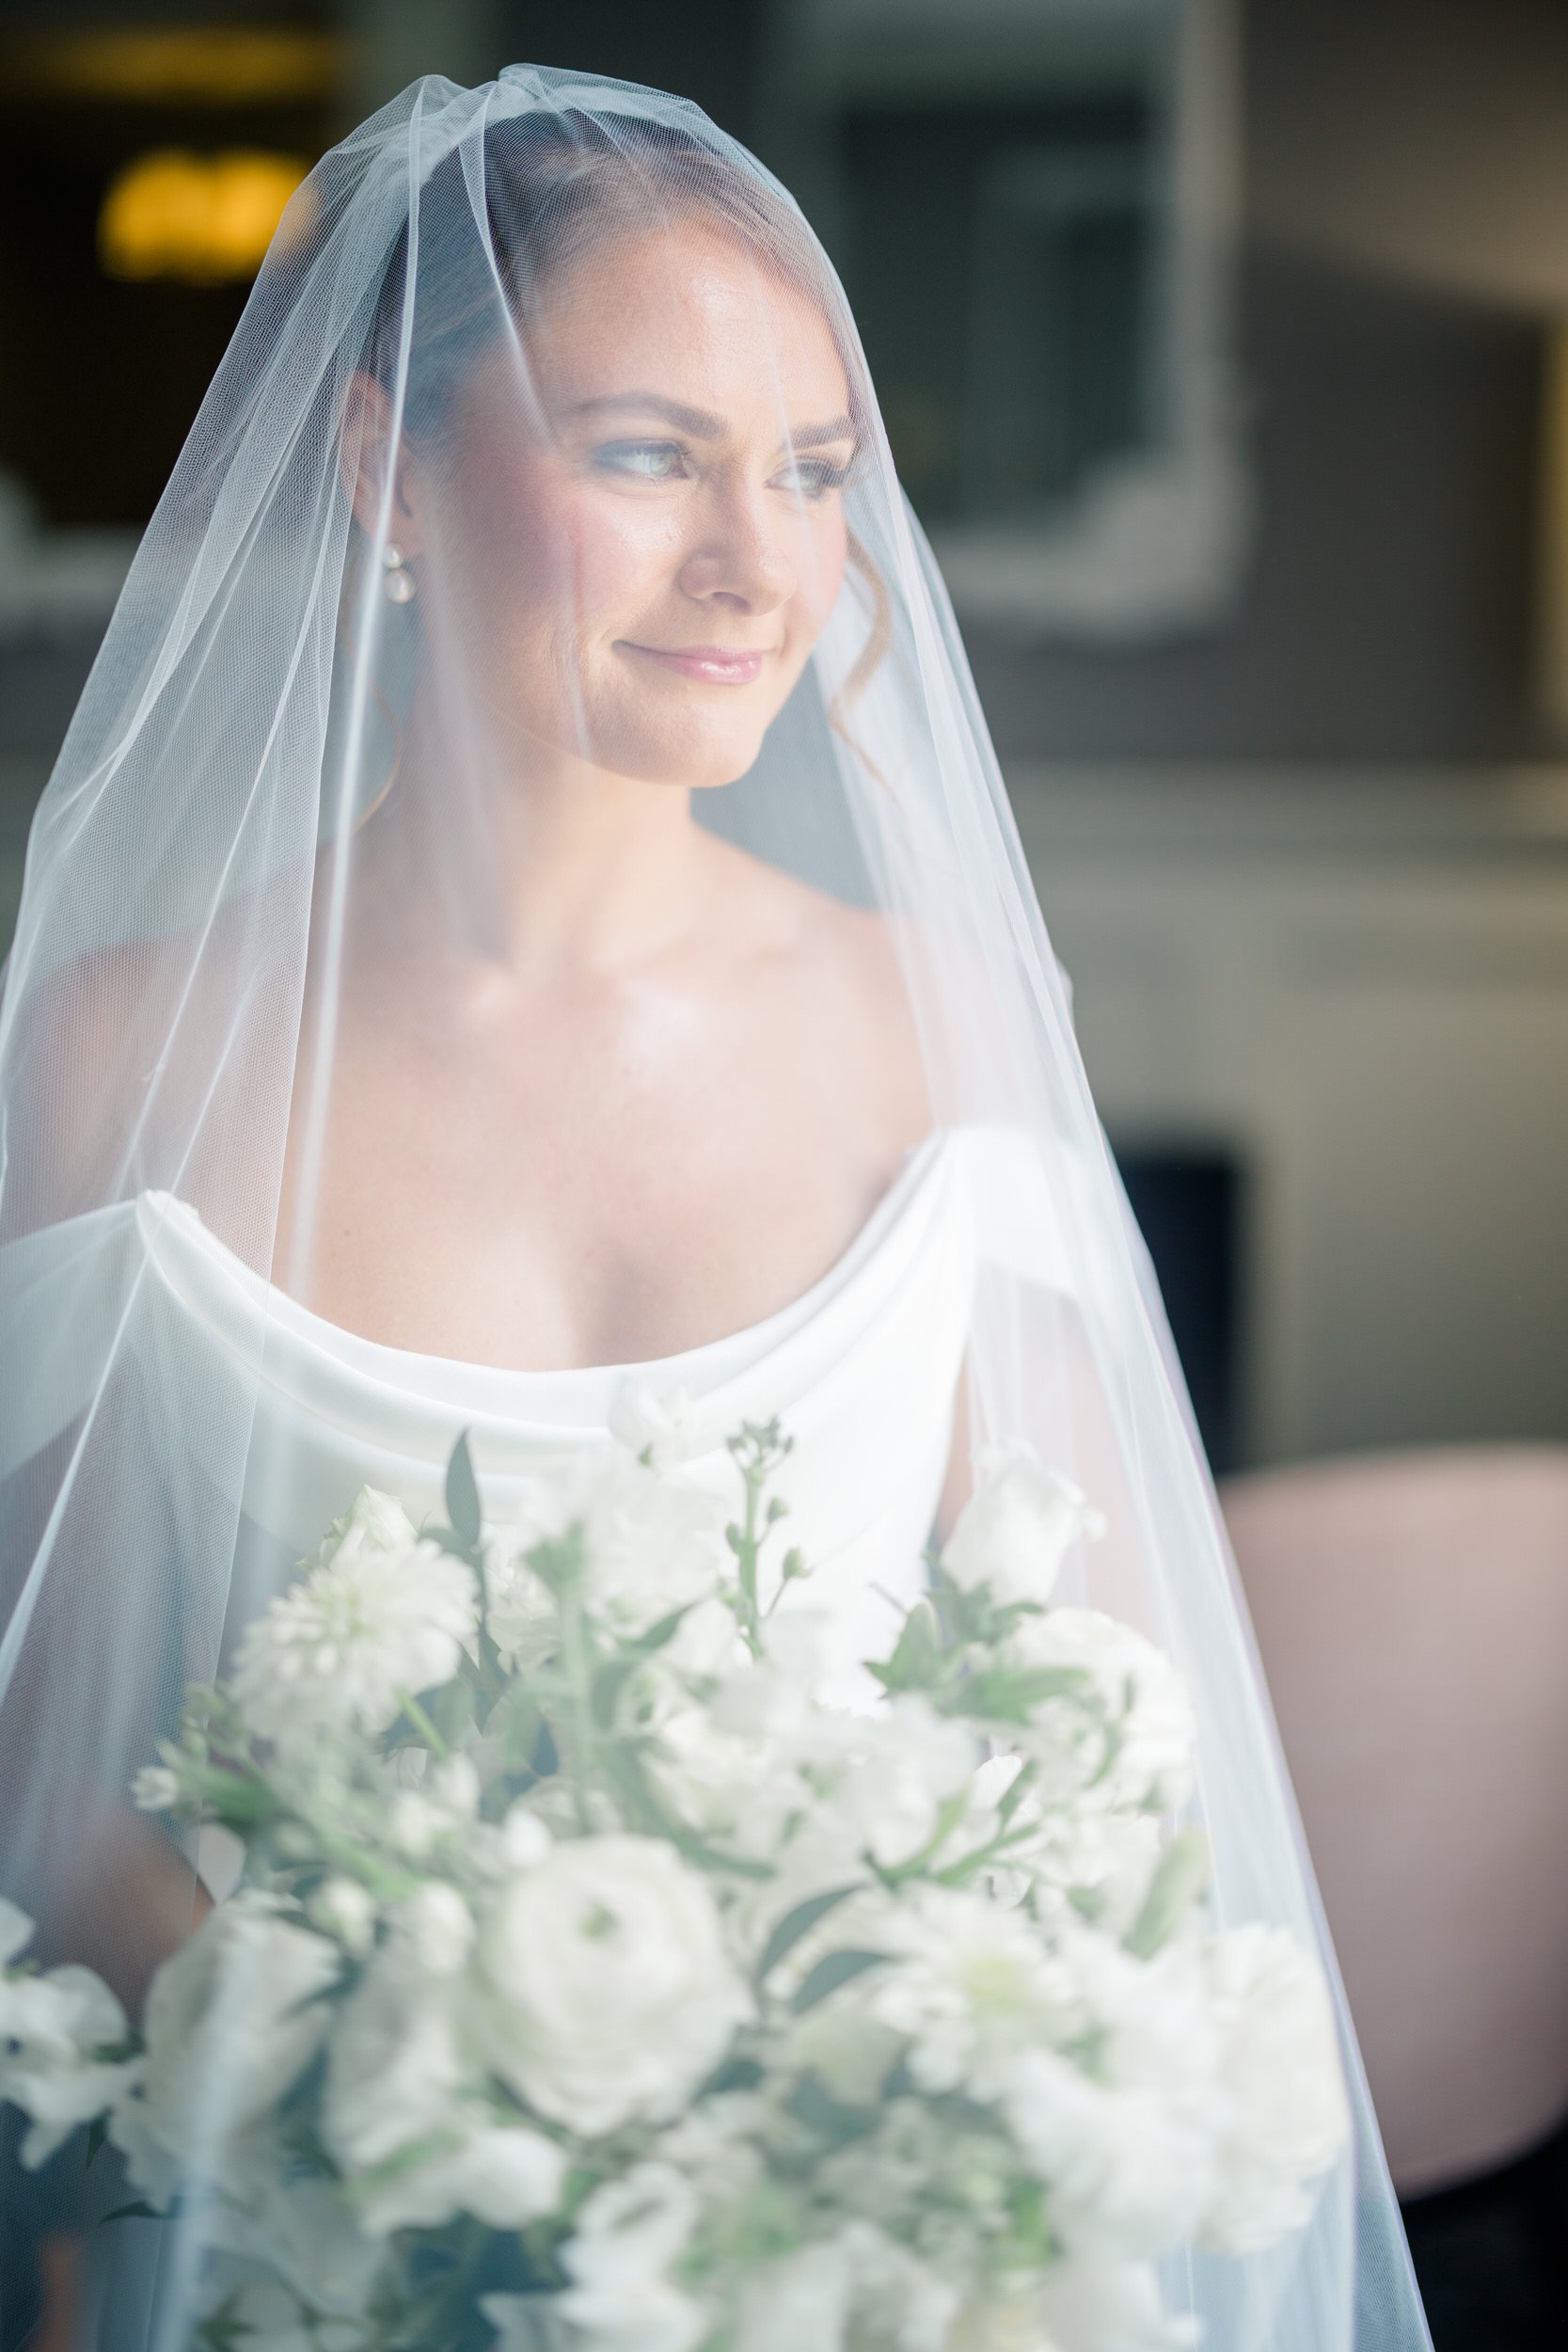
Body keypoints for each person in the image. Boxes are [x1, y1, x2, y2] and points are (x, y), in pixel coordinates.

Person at [0, 66, 1429, 2352]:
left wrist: (796, 2175)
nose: (761, 568)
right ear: (382, 466)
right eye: (651, 454)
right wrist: (430, 2165)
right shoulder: (114, 1058)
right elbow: (52, 1784)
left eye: (818, 471)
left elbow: (1111, 1766)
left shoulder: (939, 1030)